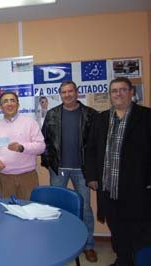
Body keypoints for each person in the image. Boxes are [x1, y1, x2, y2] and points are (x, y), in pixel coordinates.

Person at [84, 77, 151, 266]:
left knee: (138, 230)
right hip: (108, 188)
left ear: (131, 92)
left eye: (122, 89)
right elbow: (91, 150)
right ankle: (122, 260)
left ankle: (135, 261)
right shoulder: (102, 118)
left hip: (137, 188)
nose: (118, 94)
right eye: (114, 90)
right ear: (110, 95)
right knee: (117, 228)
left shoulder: (145, 117)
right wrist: (91, 177)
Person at [41, 80, 98, 262]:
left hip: (82, 169)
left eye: (70, 91)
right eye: (64, 92)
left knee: (85, 208)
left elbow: (96, 144)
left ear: (77, 92)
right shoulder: (52, 114)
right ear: (60, 94)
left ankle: (88, 245)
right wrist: (50, 162)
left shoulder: (90, 114)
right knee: (57, 208)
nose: (67, 95)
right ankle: (60, 243)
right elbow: (45, 141)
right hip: (59, 168)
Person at [0, 91, 45, 200]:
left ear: (18, 105)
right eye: (5, 101)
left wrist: (22, 148)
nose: (9, 104)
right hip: (5, 178)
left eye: (12, 100)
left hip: (27, 177)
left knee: (29, 211)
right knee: (7, 212)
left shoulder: (30, 123)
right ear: (1, 107)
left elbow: (41, 147)